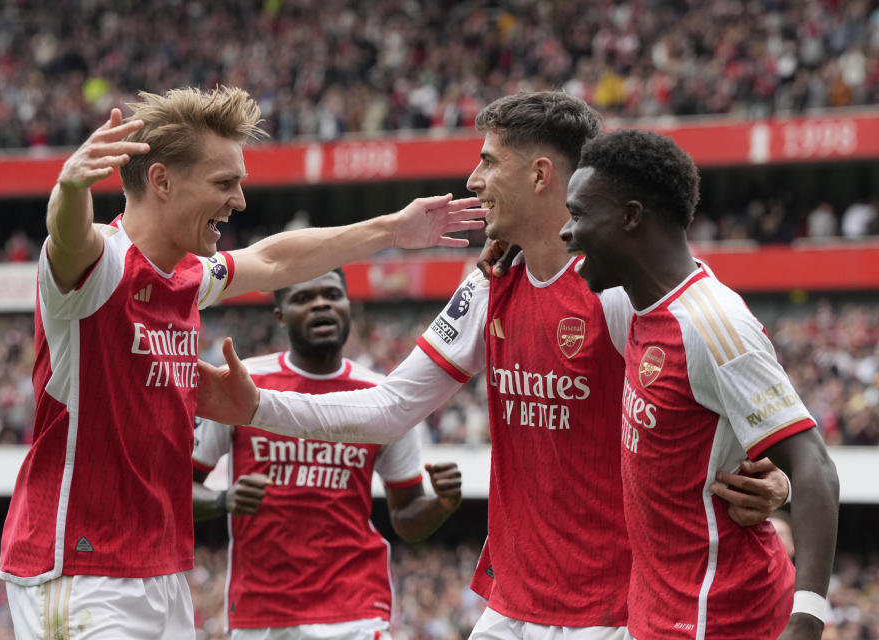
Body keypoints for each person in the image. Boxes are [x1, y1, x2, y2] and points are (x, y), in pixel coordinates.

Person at [196, 91, 789, 639]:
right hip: (511, 603)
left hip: (610, 609)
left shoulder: (617, 292)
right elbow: (391, 407)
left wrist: (767, 475)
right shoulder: (488, 281)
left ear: (539, 175)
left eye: (488, 161)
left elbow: (714, 401)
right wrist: (255, 406)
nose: (474, 180)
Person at [0, 86, 484, 639]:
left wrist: (393, 230)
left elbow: (274, 257)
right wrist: (70, 187)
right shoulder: (102, 268)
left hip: (162, 569)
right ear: (161, 180)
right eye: (224, 183)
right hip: (81, 567)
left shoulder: (188, 276)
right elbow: (66, 239)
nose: (240, 201)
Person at [560, 128, 840, 640]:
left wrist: (807, 621)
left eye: (578, 215)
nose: (566, 232)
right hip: (657, 609)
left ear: (630, 216)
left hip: (721, 616)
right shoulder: (639, 306)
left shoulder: (713, 325)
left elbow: (815, 465)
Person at [192, 269, 462, 639]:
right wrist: (223, 499)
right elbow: (177, 489)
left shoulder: (385, 397)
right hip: (263, 610)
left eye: (333, 295)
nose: (321, 304)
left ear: (349, 306)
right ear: (279, 315)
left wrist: (442, 503)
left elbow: (406, 517)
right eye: (303, 298)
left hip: (355, 609)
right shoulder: (241, 384)